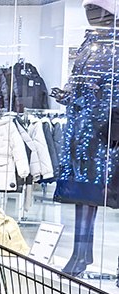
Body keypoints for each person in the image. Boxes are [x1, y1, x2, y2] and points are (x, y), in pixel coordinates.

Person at [51, 0, 119, 277]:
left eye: (96, 8)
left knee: (105, 191)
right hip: (84, 130)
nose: (91, 14)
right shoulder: (89, 44)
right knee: (83, 192)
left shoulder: (114, 44)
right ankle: (80, 254)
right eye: (88, 9)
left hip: (110, 133)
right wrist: (68, 95)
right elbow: (80, 84)